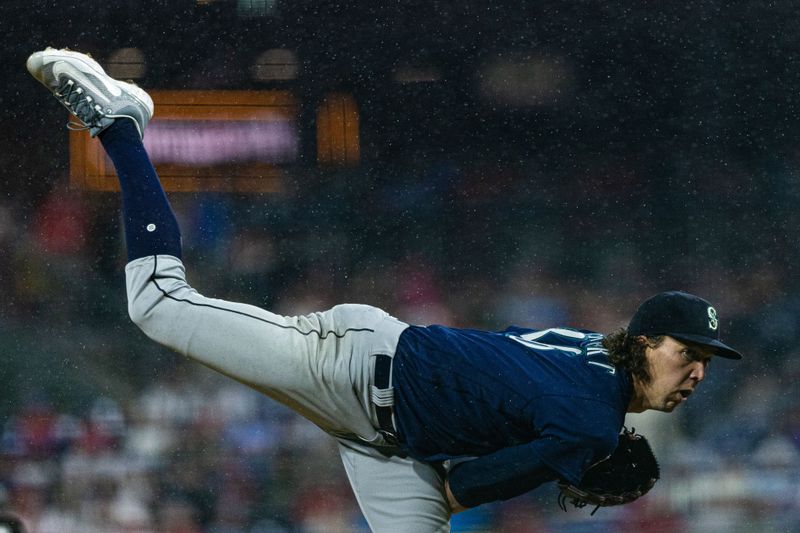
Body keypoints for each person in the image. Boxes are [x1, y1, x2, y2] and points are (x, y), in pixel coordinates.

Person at [27, 48, 742, 532]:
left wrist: (571, 446)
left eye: (707, 359)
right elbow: (465, 490)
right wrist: (571, 458)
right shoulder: (590, 417)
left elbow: (525, 405)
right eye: (689, 352)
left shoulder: (594, 358)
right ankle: (123, 124)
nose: (698, 371)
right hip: (354, 370)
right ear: (646, 341)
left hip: (398, 443)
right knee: (156, 305)